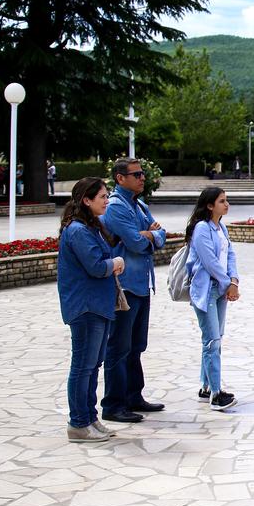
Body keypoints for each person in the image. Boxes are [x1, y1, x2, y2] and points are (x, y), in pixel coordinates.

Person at [56, 178, 125, 442]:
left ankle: (89, 418)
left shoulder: (91, 227)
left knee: (93, 365)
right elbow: (96, 267)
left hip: (99, 304)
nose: (107, 201)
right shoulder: (78, 231)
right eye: (103, 197)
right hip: (85, 307)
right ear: (86, 200)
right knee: (83, 366)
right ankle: (78, 423)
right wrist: (116, 262)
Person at [100, 158, 167, 423]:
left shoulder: (138, 205)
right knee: (119, 347)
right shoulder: (117, 207)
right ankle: (113, 404)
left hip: (141, 285)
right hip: (125, 286)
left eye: (143, 174)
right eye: (136, 174)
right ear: (120, 178)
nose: (142, 178)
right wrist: (148, 235)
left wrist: (149, 235)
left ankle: (133, 396)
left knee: (136, 346)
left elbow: (160, 235)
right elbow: (137, 243)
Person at [186, 186, 241, 410]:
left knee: (215, 337)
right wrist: (229, 283)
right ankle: (217, 394)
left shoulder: (221, 228)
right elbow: (209, 261)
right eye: (221, 201)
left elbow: (230, 255)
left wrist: (234, 280)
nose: (226, 205)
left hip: (221, 290)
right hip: (207, 290)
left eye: (226, 200)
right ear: (210, 205)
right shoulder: (201, 229)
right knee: (211, 341)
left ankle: (206, 386)